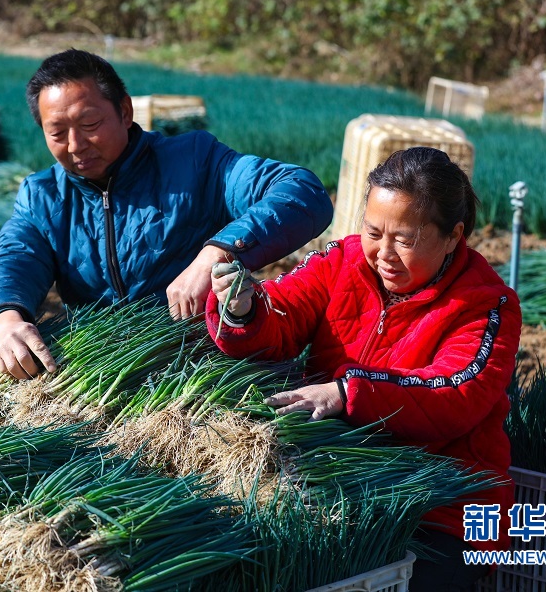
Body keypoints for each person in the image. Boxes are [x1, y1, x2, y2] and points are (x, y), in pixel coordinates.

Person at [207, 146, 520, 591]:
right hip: (343, 483)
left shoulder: (488, 304)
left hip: (447, 507)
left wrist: (345, 393)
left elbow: (454, 394)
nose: (384, 253)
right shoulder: (342, 260)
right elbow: (283, 314)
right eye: (374, 232)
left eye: (406, 239)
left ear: (454, 235)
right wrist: (243, 310)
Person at [0, 49, 333, 379]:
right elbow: (14, 258)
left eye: (90, 125)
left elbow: (302, 191)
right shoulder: (43, 196)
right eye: (57, 133)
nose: (75, 145)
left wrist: (217, 252)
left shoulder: (195, 160)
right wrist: (5, 322)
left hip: (204, 366)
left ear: (125, 112)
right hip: (103, 371)